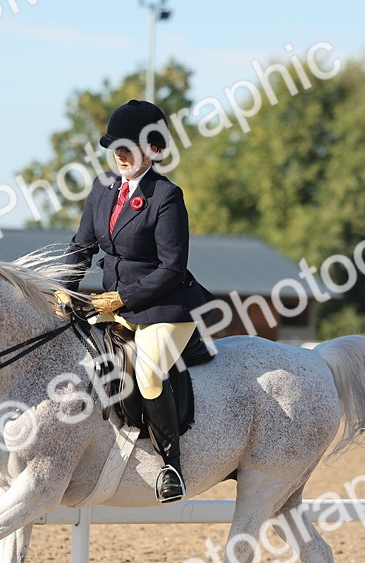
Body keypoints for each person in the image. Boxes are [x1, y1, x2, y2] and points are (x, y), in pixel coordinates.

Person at [63, 99, 214, 503]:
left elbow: (171, 268)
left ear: (154, 150)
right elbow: (82, 246)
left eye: (128, 147)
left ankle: (171, 467)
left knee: (147, 373)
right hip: (114, 305)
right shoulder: (102, 188)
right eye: (115, 147)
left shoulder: (166, 196)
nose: (120, 155)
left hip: (164, 307)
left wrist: (119, 298)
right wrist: (61, 287)